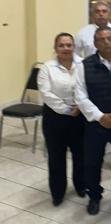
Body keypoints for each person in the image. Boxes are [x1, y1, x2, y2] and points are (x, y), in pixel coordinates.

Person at [74, 27, 111, 216]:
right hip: (95, 124)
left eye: (110, 38)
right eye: (101, 39)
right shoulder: (84, 65)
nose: (107, 42)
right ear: (95, 43)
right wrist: (100, 116)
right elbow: (80, 96)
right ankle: (94, 196)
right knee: (92, 163)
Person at [38, 33, 84, 206]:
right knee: (56, 157)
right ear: (55, 48)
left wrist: (80, 106)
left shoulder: (83, 64)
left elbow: (87, 88)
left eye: (69, 45)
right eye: (61, 45)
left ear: (74, 47)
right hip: (55, 118)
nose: (66, 48)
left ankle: (81, 186)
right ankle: (57, 192)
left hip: (80, 116)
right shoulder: (47, 68)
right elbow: (46, 93)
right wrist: (66, 109)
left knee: (81, 154)